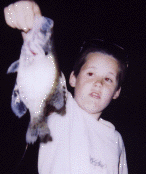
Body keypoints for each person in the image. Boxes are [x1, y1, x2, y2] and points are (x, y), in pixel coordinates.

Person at [4, 1, 128, 173]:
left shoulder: (116, 140)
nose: (98, 83)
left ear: (117, 92)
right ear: (72, 79)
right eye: (90, 74)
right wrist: (34, 25)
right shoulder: (63, 109)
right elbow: (42, 62)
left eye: (108, 79)